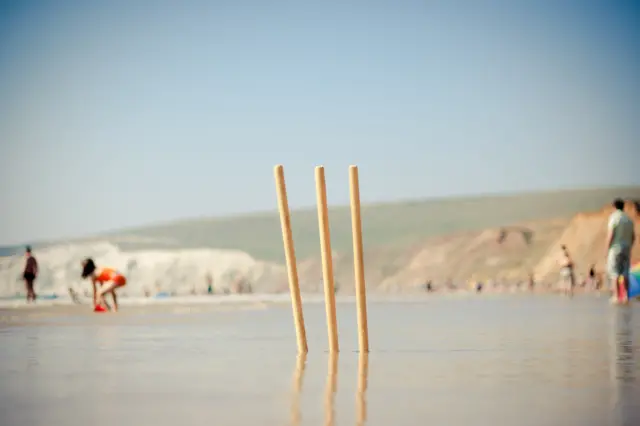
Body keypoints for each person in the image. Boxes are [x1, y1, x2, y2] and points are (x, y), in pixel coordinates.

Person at [606, 198, 635, 303]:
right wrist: (629, 246)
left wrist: (607, 248)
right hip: (626, 248)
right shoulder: (628, 219)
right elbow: (633, 236)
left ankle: (616, 296)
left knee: (614, 272)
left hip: (615, 248)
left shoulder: (614, 218)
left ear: (614, 206)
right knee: (625, 272)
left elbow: (611, 234)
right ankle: (626, 296)